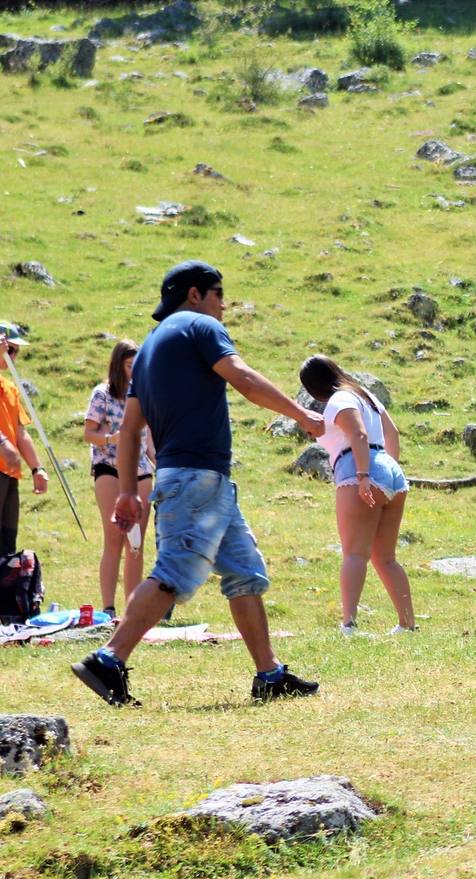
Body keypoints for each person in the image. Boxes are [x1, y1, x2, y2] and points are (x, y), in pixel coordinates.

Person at [71, 260, 325, 707]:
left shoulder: (149, 349)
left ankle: (269, 674)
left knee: (245, 573)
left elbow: (130, 430)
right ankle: (108, 659)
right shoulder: (199, 327)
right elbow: (243, 378)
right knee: (173, 573)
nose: (224, 306)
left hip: (193, 479)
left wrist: (129, 490)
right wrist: (302, 415)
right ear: (195, 294)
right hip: (196, 479)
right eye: (219, 294)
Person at [298, 355, 414, 636]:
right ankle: (407, 624)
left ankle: (348, 624)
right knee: (385, 558)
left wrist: (364, 476)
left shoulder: (339, 400)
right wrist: (386, 471)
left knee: (354, 553)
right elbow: (393, 434)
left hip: (359, 469)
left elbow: (358, 436)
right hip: (391, 471)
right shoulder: (367, 396)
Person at [84, 340, 155, 617]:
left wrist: (162, 461)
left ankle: (133, 609)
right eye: (129, 366)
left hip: (140, 471)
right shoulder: (102, 394)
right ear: (118, 366)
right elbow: (89, 433)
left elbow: (148, 441)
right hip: (109, 467)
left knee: (136, 543)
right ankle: (108, 609)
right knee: (114, 537)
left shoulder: (144, 395)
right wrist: (112, 438)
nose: (134, 370)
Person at [0, 323, 48, 557]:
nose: (13, 357)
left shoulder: (10, 389)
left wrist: (36, 468)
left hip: (10, 475)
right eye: (11, 349)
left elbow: (21, 433)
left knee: (7, 541)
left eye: (15, 351)